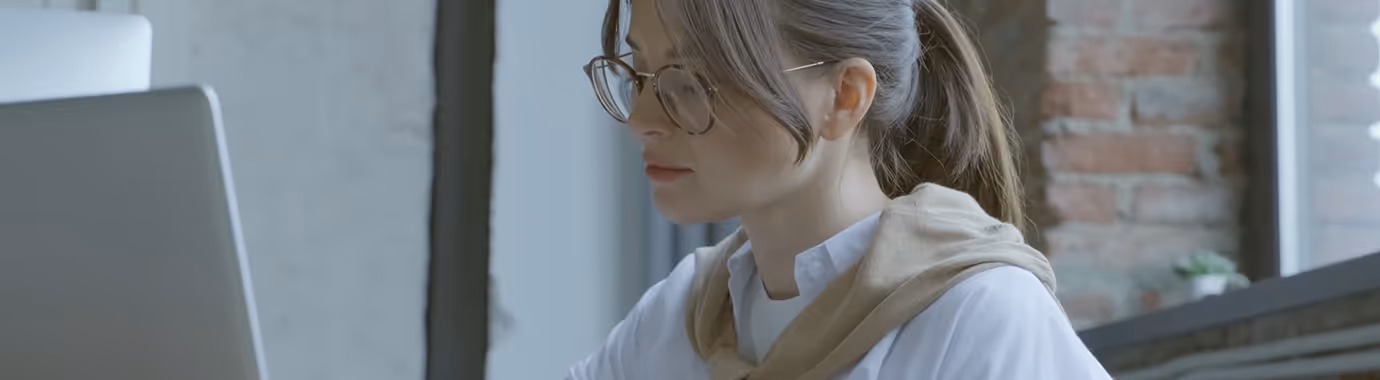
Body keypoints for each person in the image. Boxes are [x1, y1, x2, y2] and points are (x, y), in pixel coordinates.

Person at [569, 0, 1114, 378]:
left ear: (845, 97)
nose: (639, 118)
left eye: (689, 81)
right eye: (637, 72)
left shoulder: (978, 317)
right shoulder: (683, 315)